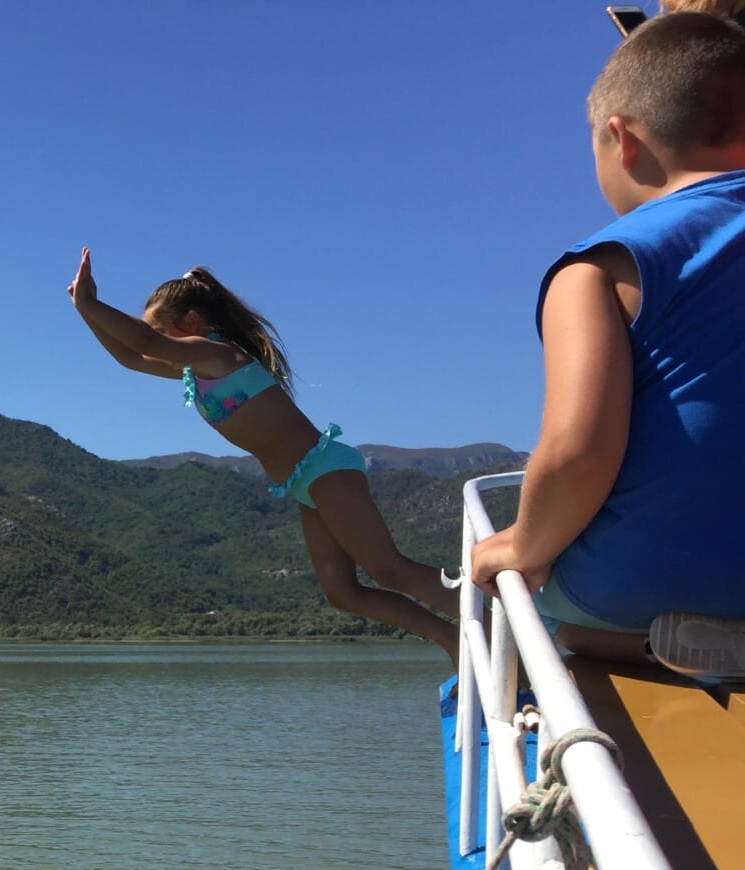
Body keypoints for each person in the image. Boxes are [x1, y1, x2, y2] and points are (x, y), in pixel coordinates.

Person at [470, 11, 745, 677]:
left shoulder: (599, 268)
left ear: (622, 141)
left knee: (563, 621)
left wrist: (526, 546)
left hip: (644, 595)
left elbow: (577, 452)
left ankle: (665, 648)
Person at [68, 252, 457, 661]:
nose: (155, 338)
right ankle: (451, 639)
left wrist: (92, 304)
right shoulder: (192, 371)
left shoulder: (217, 355)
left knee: (388, 569)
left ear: (193, 323)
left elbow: (143, 343)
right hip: (304, 482)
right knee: (343, 593)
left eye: (162, 329)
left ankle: (491, 608)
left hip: (326, 467)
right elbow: (130, 357)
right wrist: (84, 310)